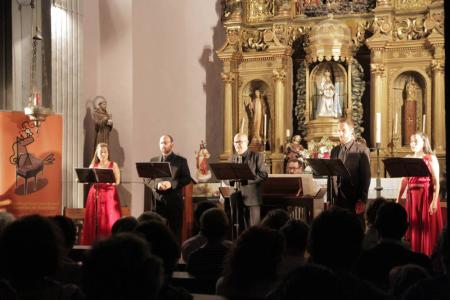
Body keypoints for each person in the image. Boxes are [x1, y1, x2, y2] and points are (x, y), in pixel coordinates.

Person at [396, 132, 443, 256]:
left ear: (423, 142)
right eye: (411, 141)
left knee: (426, 228)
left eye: (416, 141)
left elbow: (436, 182)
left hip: (426, 197)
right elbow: (404, 180)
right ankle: (414, 257)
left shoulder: (430, 158)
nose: (412, 144)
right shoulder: (407, 158)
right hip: (412, 198)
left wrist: (434, 201)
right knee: (414, 227)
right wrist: (398, 197)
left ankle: (427, 257)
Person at [145, 135, 191, 242]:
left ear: (172, 144)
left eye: (165, 142)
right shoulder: (154, 160)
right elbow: (147, 179)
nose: (163, 145)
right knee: (157, 233)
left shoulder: (181, 161)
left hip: (174, 202)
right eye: (161, 143)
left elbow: (187, 179)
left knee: (175, 233)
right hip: (157, 203)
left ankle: (175, 257)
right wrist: (157, 185)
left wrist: (172, 184)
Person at [82, 142, 122, 245]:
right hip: (95, 193)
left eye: (105, 152)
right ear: (97, 154)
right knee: (94, 219)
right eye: (100, 152)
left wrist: (111, 181)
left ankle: (110, 243)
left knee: (109, 219)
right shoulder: (93, 165)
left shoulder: (113, 165)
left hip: (109, 194)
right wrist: (81, 178)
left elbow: (117, 181)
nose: (103, 154)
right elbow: (87, 179)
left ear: (108, 153)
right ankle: (94, 243)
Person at [330, 118, 371, 215]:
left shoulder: (362, 150)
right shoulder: (334, 151)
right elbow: (331, 176)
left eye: (343, 130)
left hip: (354, 200)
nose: (340, 134)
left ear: (351, 130)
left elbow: (366, 177)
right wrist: (330, 199)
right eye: (338, 131)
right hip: (337, 201)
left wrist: (362, 200)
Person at [232, 133, 268, 226]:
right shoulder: (232, 158)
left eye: (240, 142)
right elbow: (228, 176)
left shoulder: (256, 156)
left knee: (253, 228)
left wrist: (247, 180)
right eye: (235, 142)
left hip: (252, 198)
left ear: (247, 143)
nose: (237, 144)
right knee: (237, 227)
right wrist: (230, 181)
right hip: (236, 197)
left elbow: (263, 174)